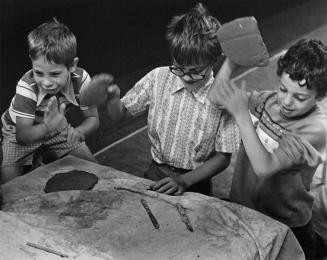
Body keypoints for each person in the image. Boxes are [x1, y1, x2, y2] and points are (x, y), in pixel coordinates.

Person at [103, 3, 240, 196]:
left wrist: (185, 180)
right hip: (155, 172)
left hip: (196, 182)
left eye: (195, 72)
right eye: (179, 67)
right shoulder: (158, 78)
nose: (185, 77)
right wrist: (112, 99)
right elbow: (120, 115)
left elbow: (223, 158)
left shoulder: (225, 98)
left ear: (215, 61)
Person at [210, 39, 327, 258]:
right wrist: (231, 62)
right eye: (283, 89)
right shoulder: (268, 101)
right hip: (246, 209)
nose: (287, 102)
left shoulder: (315, 128)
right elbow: (216, 98)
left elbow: (265, 167)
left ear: (320, 97)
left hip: (286, 223)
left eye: (300, 97)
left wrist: (243, 115)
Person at [0, 18, 99, 184]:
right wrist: (46, 127)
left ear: (72, 66)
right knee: (10, 188)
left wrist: (79, 132)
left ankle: (41, 162)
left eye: (54, 74)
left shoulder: (81, 79)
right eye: (39, 73)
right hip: (17, 132)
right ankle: (37, 164)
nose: (46, 82)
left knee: (98, 171)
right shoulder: (26, 86)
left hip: (56, 125)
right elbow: (23, 135)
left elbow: (93, 119)